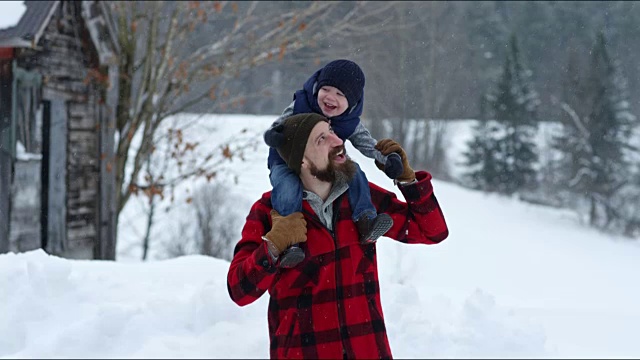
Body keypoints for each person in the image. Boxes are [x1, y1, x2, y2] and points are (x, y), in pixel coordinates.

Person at [228, 113, 449, 359]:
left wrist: (407, 180)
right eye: (321, 139)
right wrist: (272, 247)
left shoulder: (361, 202)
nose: (337, 140)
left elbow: (432, 231)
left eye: (332, 130)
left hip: (367, 351)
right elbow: (239, 291)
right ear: (300, 160)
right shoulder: (269, 212)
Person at [263, 59, 404, 268]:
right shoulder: (302, 105)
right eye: (325, 89)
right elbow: (279, 124)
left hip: (325, 166)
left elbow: (367, 144)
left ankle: (365, 219)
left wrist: (387, 159)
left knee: (355, 173)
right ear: (316, 87)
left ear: (353, 103)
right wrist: (274, 135)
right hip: (285, 161)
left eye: (340, 94)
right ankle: (291, 240)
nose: (330, 97)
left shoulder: (349, 122)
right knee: (288, 186)